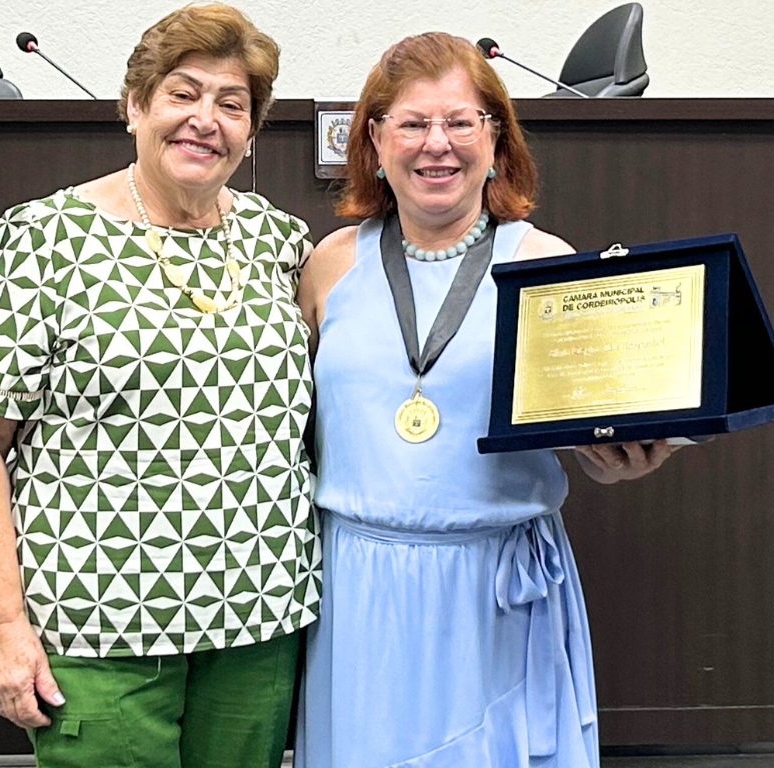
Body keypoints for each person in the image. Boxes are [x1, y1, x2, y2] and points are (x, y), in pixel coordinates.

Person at [0, 6, 319, 767]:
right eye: (183, 93)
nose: (205, 120)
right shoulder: (45, 239)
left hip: (260, 619)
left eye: (232, 104)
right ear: (135, 105)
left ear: (252, 130)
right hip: (99, 624)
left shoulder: (278, 240)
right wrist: (2, 627)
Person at [295, 32, 678, 768]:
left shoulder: (546, 266)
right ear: (374, 140)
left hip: (495, 590)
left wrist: (618, 459)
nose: (436, 144)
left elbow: (584, 438)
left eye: (461, 122)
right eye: (412, 123)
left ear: (497, 140)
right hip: (358, 589)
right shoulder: (329, 265)